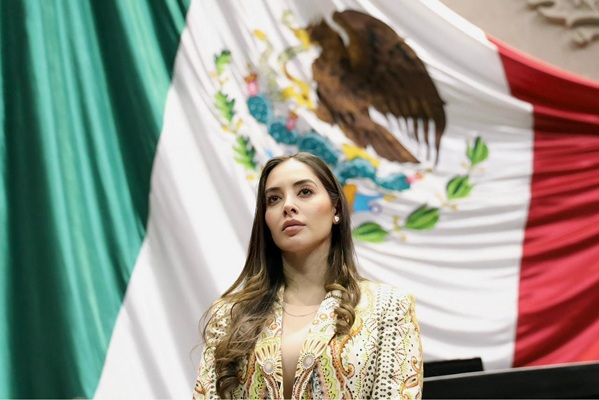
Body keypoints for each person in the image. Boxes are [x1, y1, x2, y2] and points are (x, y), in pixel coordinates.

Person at [194, 152, 423, 399]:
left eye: (304, 192)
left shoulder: (388, 307)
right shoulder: (229, 316)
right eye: (274, 199)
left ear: (336, 208)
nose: (288, 206)